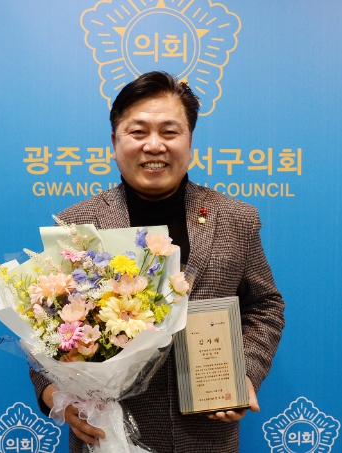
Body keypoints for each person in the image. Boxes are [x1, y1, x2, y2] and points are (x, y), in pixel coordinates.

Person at [30, 71, 285, 452]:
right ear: (114, 142)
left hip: (205, 433)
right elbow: (44, 323)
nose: (154, 145)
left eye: (169, 132)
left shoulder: (235, 219)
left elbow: (265, 305)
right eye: (138, 132)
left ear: (190, 141)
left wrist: (244, 372)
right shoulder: (77, 225)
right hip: (107, 433)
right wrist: (53, 394)